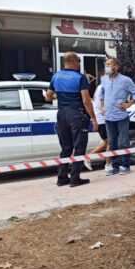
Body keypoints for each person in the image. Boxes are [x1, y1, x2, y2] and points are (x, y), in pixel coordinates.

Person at [45, 52, 98, 187]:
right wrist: (93, 118)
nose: (79, 63)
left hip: (62, 114)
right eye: (79, 61)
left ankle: (62, 177)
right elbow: (86, 100)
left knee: (66, 147)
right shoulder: (80, 77)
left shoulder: (56, 76)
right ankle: (75, 178)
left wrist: (59, 97)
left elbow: (48, 97)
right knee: (79, 147)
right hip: (76, 115)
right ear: (75, 61)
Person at [98, 57, 135, 176]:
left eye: (110, 64)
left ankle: (125, 165)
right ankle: (115, 166)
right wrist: (102, 106)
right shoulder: (103, 79)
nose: (107, 66)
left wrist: (129, 104)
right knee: (112, 143)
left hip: (121, 116)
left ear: (116, 67)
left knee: (123, 142)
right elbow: (101, 94)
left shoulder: (125, 80)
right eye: (106, 64)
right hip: (108, 117)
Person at [83, 71, 111, 171]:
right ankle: (108, 165)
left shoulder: (100, 87)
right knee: (109, 142)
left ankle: (90, 158)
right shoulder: (104, 87)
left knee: (106, 142)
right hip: (102, 119)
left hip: (100, 118)